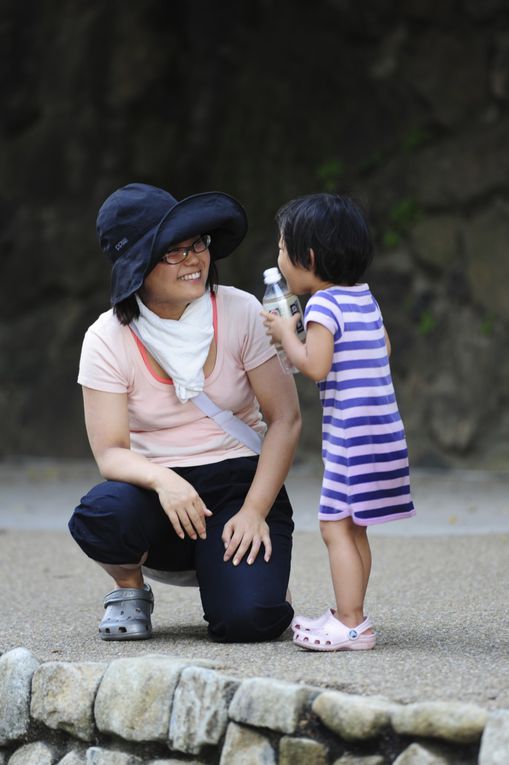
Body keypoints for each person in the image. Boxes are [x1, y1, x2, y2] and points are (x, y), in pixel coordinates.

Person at [69, 182, 301, 643]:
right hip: (159, 498)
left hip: (239, 487)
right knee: (101, 512)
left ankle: (240, 577)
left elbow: (286, 419)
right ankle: (129, 589)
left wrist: (255, 510)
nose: (194, 259)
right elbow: (111, 452)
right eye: (172, 252)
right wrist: (164, 480)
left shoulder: (239, 311)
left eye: (196, 244)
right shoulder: (106, 338)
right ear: (138, 267)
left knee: (249, 621)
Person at [262, 193, 415, 652]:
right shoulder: (363, 297)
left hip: (350, 441)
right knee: (354, 527)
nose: (279, 258)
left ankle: (350, 623)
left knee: (334, 527)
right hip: (381, 433)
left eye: (282, 250)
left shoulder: (324, 306)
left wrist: (288, 334)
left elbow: (315, 366)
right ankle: (354, 616)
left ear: (307, 258)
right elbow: (382, 348)